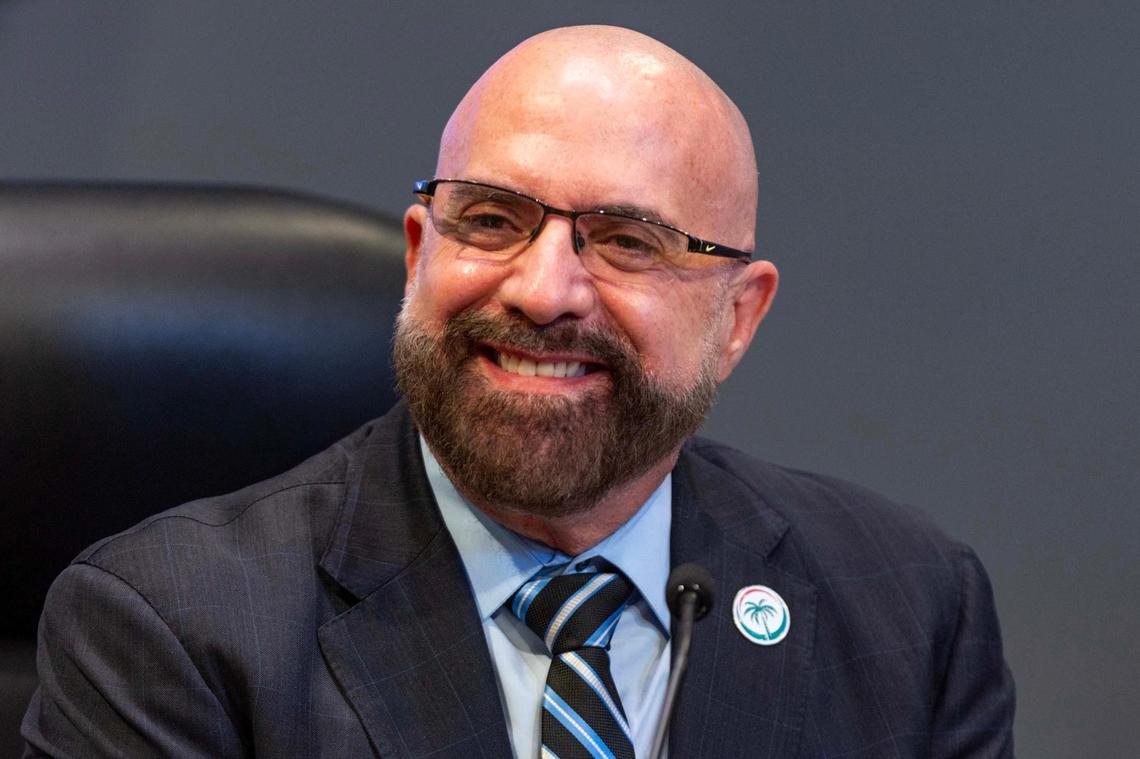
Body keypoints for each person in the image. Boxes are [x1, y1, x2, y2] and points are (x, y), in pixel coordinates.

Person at [22, 25, 1014, 759]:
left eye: (628, 241)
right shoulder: (175, 628)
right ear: (419, 255)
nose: (543, 293)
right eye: (492, 220)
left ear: (738, 319)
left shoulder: (911, 607)